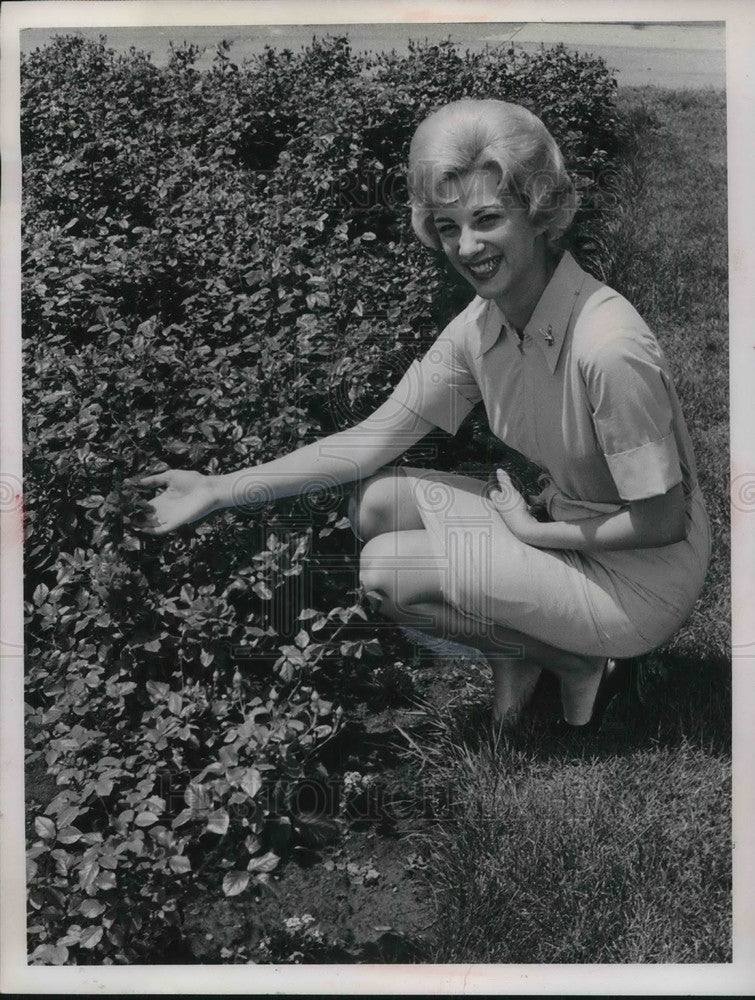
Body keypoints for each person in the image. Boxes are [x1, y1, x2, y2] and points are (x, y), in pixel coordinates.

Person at [138, 99, 711, 734]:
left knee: (387, 569)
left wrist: (533, 533)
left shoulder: (609, 346)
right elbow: (369, 441)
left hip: (641, 578)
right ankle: (519, 652)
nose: (467, 247)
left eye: (488, 218)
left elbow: (663, 520)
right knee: (375, 502)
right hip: (571, 519)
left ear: (540, 212)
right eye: (446, 226)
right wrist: (217, 491)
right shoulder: (483, 325)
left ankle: (580, 661)